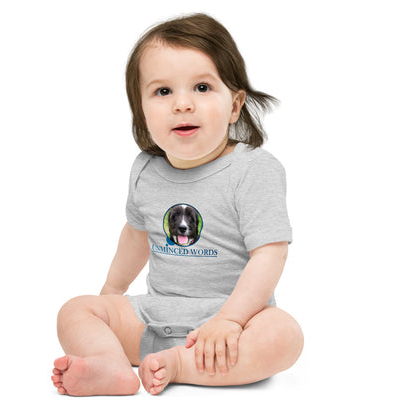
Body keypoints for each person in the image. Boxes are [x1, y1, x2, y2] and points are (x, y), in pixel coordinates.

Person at [51, 12, 304, 396]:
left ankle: (180, 365)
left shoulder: (253, 169)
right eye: (163, 91)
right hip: (155, 315)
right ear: (141, 110)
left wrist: (230, 320)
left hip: (235, 322)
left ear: (235, 105)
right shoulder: (145, 170)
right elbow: (136, 236)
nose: (182, 104)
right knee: (75, 310)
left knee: (284, 335)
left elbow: (270, 253)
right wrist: (111, 293)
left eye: (202, 87)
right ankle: (109, 364)